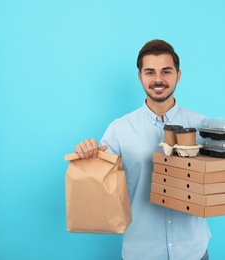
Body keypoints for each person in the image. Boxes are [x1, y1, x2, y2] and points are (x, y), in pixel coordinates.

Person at [75, 39, 211, 260]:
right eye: (150, 72)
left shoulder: (202, 126)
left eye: (166, 71)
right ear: (140, 77)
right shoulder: (119, 130)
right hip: (142, 252)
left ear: (178, 75)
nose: (158, 80)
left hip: (193, 251)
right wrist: (87, 157)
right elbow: (99, 186)